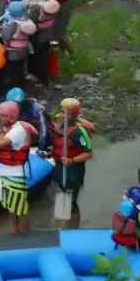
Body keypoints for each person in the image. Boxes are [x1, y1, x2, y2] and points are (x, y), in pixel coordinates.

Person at [0, 100, 38, 235]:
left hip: (16, 174)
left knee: (20, 207)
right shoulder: (9, 128)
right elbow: (6, 149)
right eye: (0, 115)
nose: (0, 118)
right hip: (5, 173)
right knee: (10, 206)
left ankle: (23, 232)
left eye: (3, 115)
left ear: (12, 116)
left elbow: (2, 143)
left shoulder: (18, 131)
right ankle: (13, 230)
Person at [49, 98, 94, 229]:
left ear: (74, 115)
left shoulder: (80, 132)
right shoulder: (58, 127)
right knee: (62, 198)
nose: (64, 115)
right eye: (62, 112)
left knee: (71, 201)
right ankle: (64, 227)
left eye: (67, 113)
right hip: (59, 168)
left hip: (73, 171)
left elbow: (89, 153)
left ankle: (74, 230)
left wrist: (71, 160)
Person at [5, 87, 52, 152]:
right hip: (25, 138)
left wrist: (42, 148)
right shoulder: (10, 109)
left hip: (41, 137)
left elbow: (44, 130)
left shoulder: (37, 109)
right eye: (14, 104)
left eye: (20, 103)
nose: (18, 106)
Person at [0, 3, 35, 88]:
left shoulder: (14, 24)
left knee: (12, 70)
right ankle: (21, 84)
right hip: (24, 49)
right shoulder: (25, 21)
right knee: (20, 68)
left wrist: (3, 30)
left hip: (13, 51)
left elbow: (6, 37)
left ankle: (12, 86)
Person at [31, 0, 61, 83]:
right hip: (50, 34)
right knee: (50, 55)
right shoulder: (55, 8)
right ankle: (50, 75)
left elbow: (32, 21)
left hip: (39, 35)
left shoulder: (37, 9)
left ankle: (42, 77)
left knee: (40, 57)